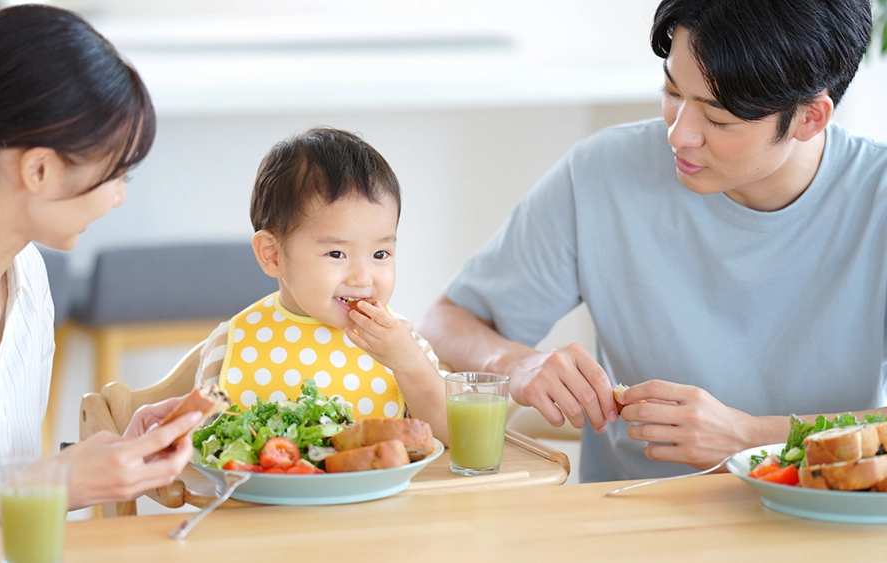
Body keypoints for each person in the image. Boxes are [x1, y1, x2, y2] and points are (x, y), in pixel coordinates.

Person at [419, 0, 887, 482]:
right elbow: (443, 322)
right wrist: (516, 363)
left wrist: (751, 437)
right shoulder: (603, 173)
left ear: (810, 117)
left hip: (827, 516)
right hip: (629, 515)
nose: (679, 135)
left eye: (718, 118)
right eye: (672, 91)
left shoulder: (878, 198)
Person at [0, 5, 203, 533]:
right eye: (117, 173)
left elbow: (1, 490)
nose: (119, 197)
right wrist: (61, 483)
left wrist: (104, 465)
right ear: (39, 170)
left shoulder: (28, 276)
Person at [194, 127, 448, 443]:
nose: (362, 278)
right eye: (336, 253)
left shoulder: (403, 344)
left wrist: (409, 365)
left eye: (380, 254)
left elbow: (452, 435)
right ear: (273, 255)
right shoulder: (229, 344)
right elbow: (201, 451)